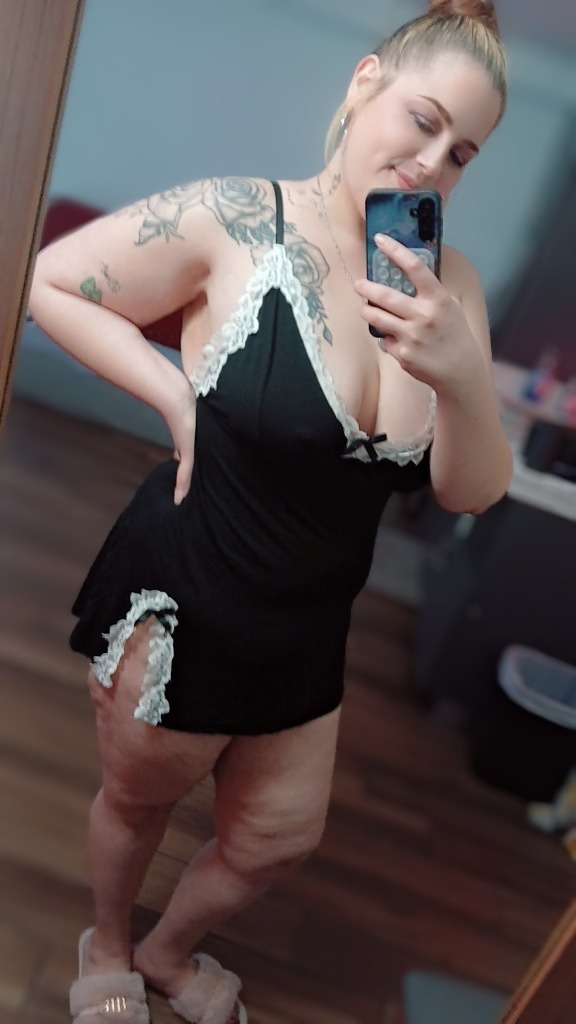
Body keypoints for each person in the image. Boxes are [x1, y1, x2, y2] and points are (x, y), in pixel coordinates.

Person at [28, 0, 513, 1020]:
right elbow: (53, 283)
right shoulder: (237, 216)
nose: (433, 164)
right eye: (424, 121)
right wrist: (171, 392)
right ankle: (105, 947)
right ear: (366, 82)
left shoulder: (451, 288)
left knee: (274, 842)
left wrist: (464, 376)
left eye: (463, 153)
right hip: (189, 594)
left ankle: (166, 951)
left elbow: (469, 489)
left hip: (309, 632)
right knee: (138, 803)